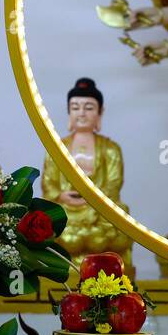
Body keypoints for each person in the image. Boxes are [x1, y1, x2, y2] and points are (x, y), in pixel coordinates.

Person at [41, 77, 132, 262]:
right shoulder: (57, 147)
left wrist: (91, 199)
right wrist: (61, 196)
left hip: (98, 211)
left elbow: (114, 185)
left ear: (100, 113)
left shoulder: (110, 149)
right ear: (69, 112)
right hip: (66, 209)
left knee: (120, 216)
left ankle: (101, 260)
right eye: (75, 108)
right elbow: (48, 182)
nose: (81, 114)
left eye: (89, 108)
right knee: (44, 219)